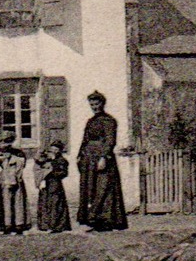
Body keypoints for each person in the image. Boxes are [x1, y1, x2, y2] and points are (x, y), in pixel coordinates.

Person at [76, 91, 129, 232]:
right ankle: (92, 220)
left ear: (102, 103)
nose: (94, 107)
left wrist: (104, 157)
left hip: (101, 158)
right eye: (91, 104)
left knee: (103, 188)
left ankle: (106, 220)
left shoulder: (109, 121)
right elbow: (85, 139)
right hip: (89, 158)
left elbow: (110, 141)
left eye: (96, 104)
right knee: (90, 188)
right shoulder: (90, 121)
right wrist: (80, 155)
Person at [34, 139, 72, 233]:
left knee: (56, 204)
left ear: (60, 150)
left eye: (57, 149)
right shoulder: (47, 158)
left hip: (55, 184)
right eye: (53, 148)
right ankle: (44, 225)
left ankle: (56, 226)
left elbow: (64, 173)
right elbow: (38, 161)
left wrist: (52, 171)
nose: (54, 150)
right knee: (44, 202)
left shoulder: (62, 160)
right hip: (45, 184)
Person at [0, 131, 31, 234]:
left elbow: (22, 163)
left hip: (16, 178)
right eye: (3, 141)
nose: (5, 144)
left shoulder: (18, 152)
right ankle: (7, 224)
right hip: (3, 179)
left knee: (18, 201)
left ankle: (19, 224)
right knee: (5, 202)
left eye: (8, 141)